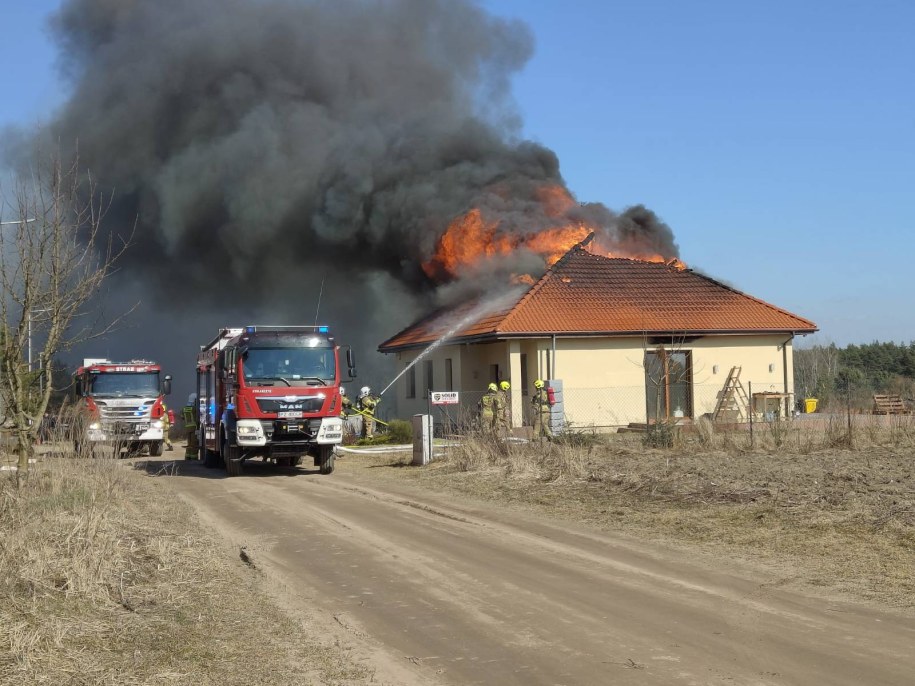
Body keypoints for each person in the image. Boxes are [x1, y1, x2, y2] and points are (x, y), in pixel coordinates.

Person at [182, 393, 199, 460]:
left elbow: (182, 417)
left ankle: (187, 456)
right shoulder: (194, 409)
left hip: (187, 428)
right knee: (194, 443)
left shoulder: (184, 409)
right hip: (194, 427)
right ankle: (194, 457)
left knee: (189, 443)